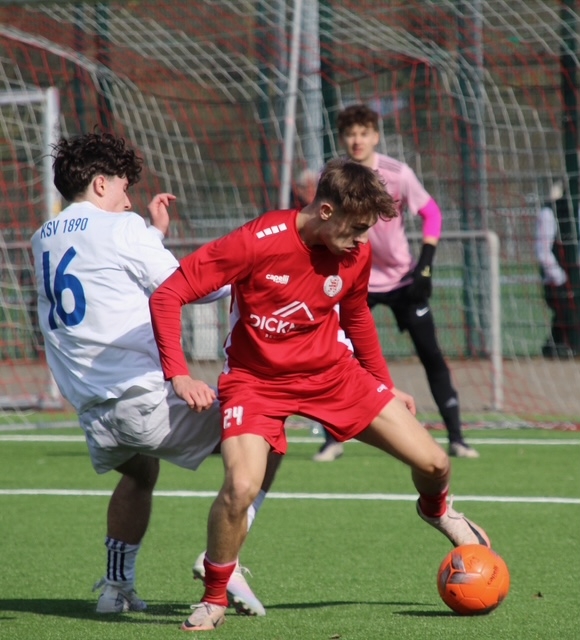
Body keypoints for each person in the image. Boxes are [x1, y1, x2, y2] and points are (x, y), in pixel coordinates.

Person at [149, 157, 491, 632]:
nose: (363, 240)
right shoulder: (255, 241)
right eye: (358, 228)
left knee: (434, 464)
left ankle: (437, 510)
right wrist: (179, 375)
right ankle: (213, 598)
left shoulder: (354, 254)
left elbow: (357, 317)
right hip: (256, 383)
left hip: (333, 376)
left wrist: (382, 381)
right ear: (326, 211)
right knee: (240, 488)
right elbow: (168, 294)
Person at [30, 131, 279, 619]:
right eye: (124, 188)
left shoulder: (43, 237)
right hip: (140, 399)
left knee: (140, 471)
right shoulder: (124, 227)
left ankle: (115, 587)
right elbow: (193, 288)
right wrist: (254, 270)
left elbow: (103, 278)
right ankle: (221, 562)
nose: (129, 201)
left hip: (92, 410)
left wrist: (154, 236)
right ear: (100, 184)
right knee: (268, 430)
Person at [314, 104, 479, 463]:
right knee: (335, 358)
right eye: (350, 134)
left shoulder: (397, 173)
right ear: (342, 138)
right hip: (355, 283)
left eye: (364, 133)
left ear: (376, 136)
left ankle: (456, 437)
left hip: (402, 280)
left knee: (431, 355)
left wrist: (426, 265)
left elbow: (432, 213)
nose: (357, 140)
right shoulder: (334, 177)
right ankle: (332, 440)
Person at [535, 180, 580, 357]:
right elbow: (543, 252)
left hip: (574, 276)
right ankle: (561, 347)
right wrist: (560, 277)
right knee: (569, 313)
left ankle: (554, 347)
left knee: (566, 319)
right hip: (558, 280)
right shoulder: (549, 213)